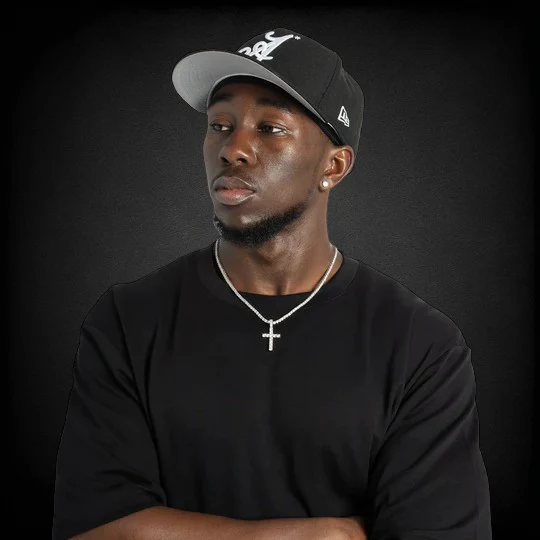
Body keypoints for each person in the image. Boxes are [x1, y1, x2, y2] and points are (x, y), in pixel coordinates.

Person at [52, 28, 492, 539]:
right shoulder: (128, 320)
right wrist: (311, 535)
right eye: (220, 125)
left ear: (334, 166)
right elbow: (92, 528)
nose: (233, 149)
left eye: (270, 128)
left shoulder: (421, 344)